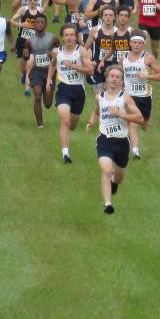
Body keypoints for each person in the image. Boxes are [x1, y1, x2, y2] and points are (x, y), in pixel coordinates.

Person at [86, 66, 146, 215]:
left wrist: (121, 114)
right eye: (111, 76)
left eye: (117, 77)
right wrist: (91, 122)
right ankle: (108, 204)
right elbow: (96, 111)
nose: (114, 79)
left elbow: (140, 118)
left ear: (121, 80)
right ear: (107, 78)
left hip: (122, 143)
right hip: (104, 140)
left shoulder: (125, 98)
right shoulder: (99, 97)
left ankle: (114, 181)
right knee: (106, 169)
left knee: (119, 178)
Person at [48, 24, 94, 163]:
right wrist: (49, 79)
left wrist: (74, 66)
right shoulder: (57, 51)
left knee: (72, 125)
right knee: (65, 121)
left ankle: (67, 146)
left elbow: (90, 70)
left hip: (78, 90)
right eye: (66, 35)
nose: (68, 37)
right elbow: (53, 64)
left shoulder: (81, 51)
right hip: (63, 88)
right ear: (62, 37)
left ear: (76, 37)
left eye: (71, 35)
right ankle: (65, 154)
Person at [122, 34, 160, 160]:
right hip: (129, 97)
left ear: (143, 45)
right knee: (133, 124)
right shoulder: (123, 58)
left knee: (144, 124)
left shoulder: (148, 59)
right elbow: (119, 75)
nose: (136, 45)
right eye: (134, 42)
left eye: (139, 43)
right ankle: (135, 152)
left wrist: (147, 76)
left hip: (144, 97)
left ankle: (141, 126)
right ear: (130, 43)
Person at [23, 13, 58, 128]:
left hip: (49, 72)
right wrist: (25, 55)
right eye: (37, 22)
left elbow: (59, 54)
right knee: (37, 96)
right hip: (36, 71)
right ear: (34, 24)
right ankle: (40, 125)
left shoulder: (53, 38)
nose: (39, 24)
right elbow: (27, 57)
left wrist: (52, 54)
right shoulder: (29, 41)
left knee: (48, 104)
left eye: (42, 22)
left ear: (46, 24)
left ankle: (50, 94)